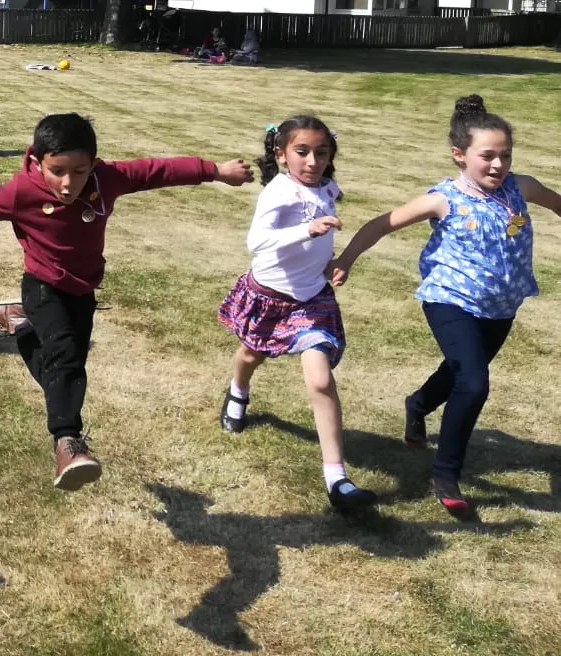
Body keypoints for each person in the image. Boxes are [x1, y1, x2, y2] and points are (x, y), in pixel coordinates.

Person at [0, 113, 253, 490]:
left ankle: (20, 326)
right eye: (57, 170)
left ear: (93, 164)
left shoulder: (106, 180)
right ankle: (67, 442)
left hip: (83, 290)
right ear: (37, 162)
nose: (68, 183)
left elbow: (156, 170)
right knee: (64, 357)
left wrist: (215, 170)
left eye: (79, 171)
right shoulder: (23, 191)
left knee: (68, 369)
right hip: (42, 286)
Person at [329, 94, 561, 517]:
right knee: (474, 383)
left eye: (505, 155)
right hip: (450, 299)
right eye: (487, 156)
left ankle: (417, 405)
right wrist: (345, 259)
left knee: (459, 371)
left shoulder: (520, 187)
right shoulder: (444, 199)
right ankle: (446, 472)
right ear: (460, 155)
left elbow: (559, 203)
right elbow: (382, 223)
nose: (498, 165)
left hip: (502, 305)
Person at [217, 118, 376, 513]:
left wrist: (335, 261)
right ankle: (238, 391)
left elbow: (326, 232)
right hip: (270, 297)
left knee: (321, 381)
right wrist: (308, 230)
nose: (312, 161)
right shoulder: (278, 191)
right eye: (302, 152)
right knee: (251, 355)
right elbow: (256, 242)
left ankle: (337, 479)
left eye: (321, 153)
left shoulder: (327, 187)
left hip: (312, 300)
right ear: (281, 154)